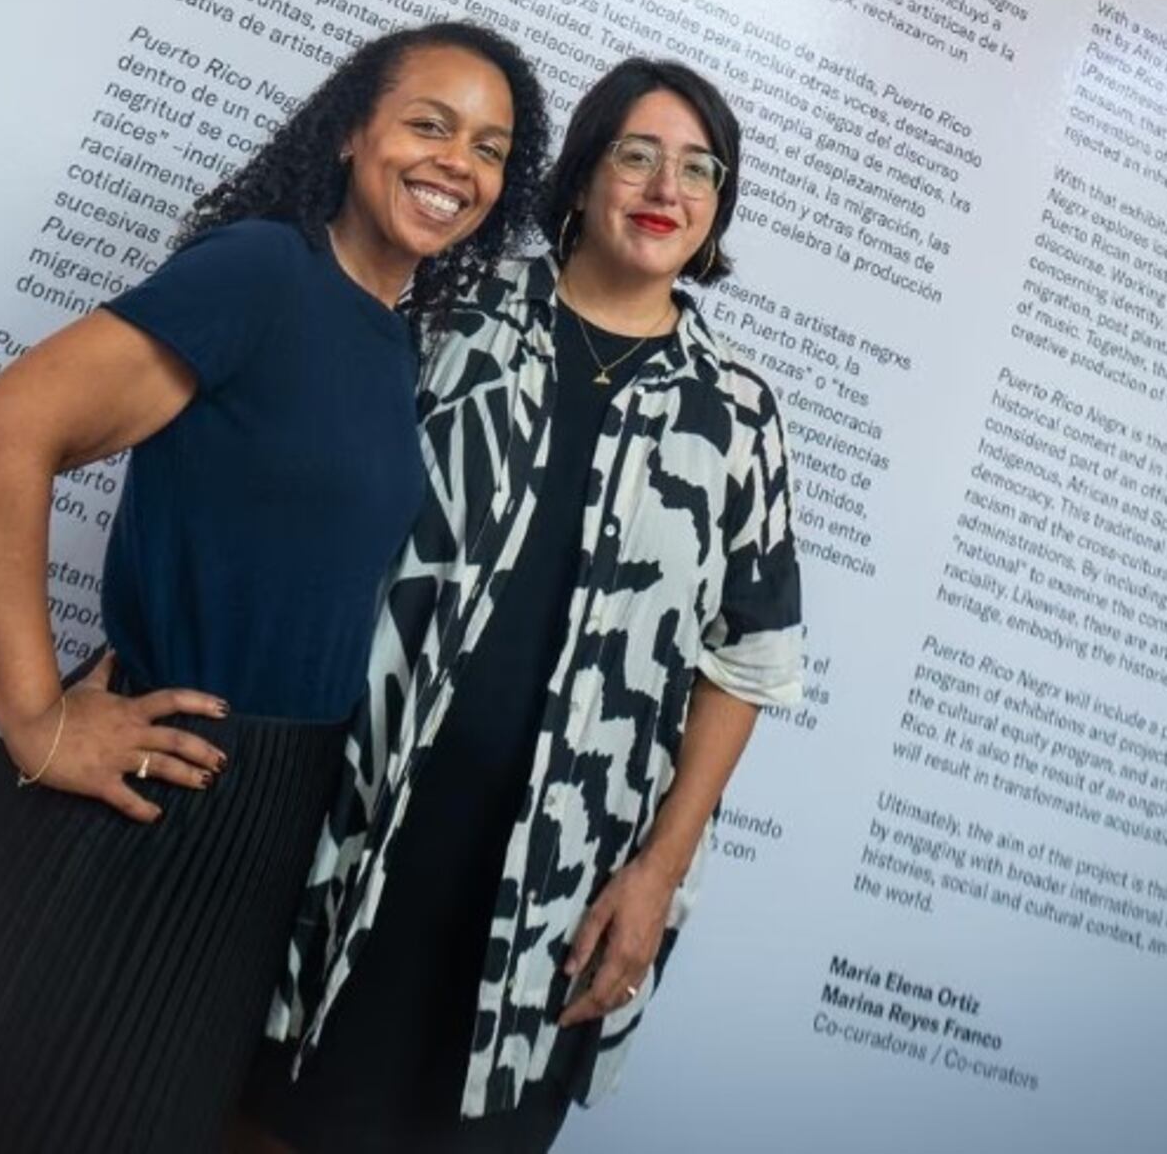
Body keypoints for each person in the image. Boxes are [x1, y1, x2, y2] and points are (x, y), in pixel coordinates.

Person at [0, 21, 551, 1154]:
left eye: (490, 147)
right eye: (429, 124)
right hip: (141, 796)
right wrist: (38, 725)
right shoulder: (262, 271)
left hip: (260, 823)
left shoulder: (395, 342)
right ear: (352, 132)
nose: (458, 164)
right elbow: (5, 428)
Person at [247, 57, 805, 1152]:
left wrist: (657, 875)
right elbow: (311, 498)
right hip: (358, 828)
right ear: (585, 173)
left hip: (563, 880)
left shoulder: (735, 412)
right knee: (271, 1115)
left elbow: (745, 661)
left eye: (700, 169)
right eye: (636, 154)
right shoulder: (453, 312)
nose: (665, 187)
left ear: (717, 208)